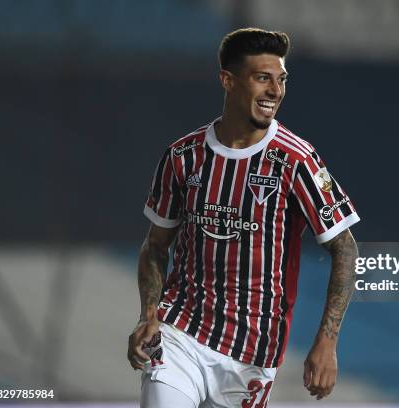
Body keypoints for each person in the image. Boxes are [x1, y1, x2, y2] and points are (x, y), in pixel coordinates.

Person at [127, 27, 360, 407]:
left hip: (252, 354)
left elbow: (345, 248)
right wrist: (148, 316)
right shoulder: (183, 156)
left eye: (281, 79)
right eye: (262, 78)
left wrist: (327, 342)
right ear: (228, 80)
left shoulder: (296, 160)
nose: (275, 91)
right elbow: (155, 247)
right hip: (180, 334)